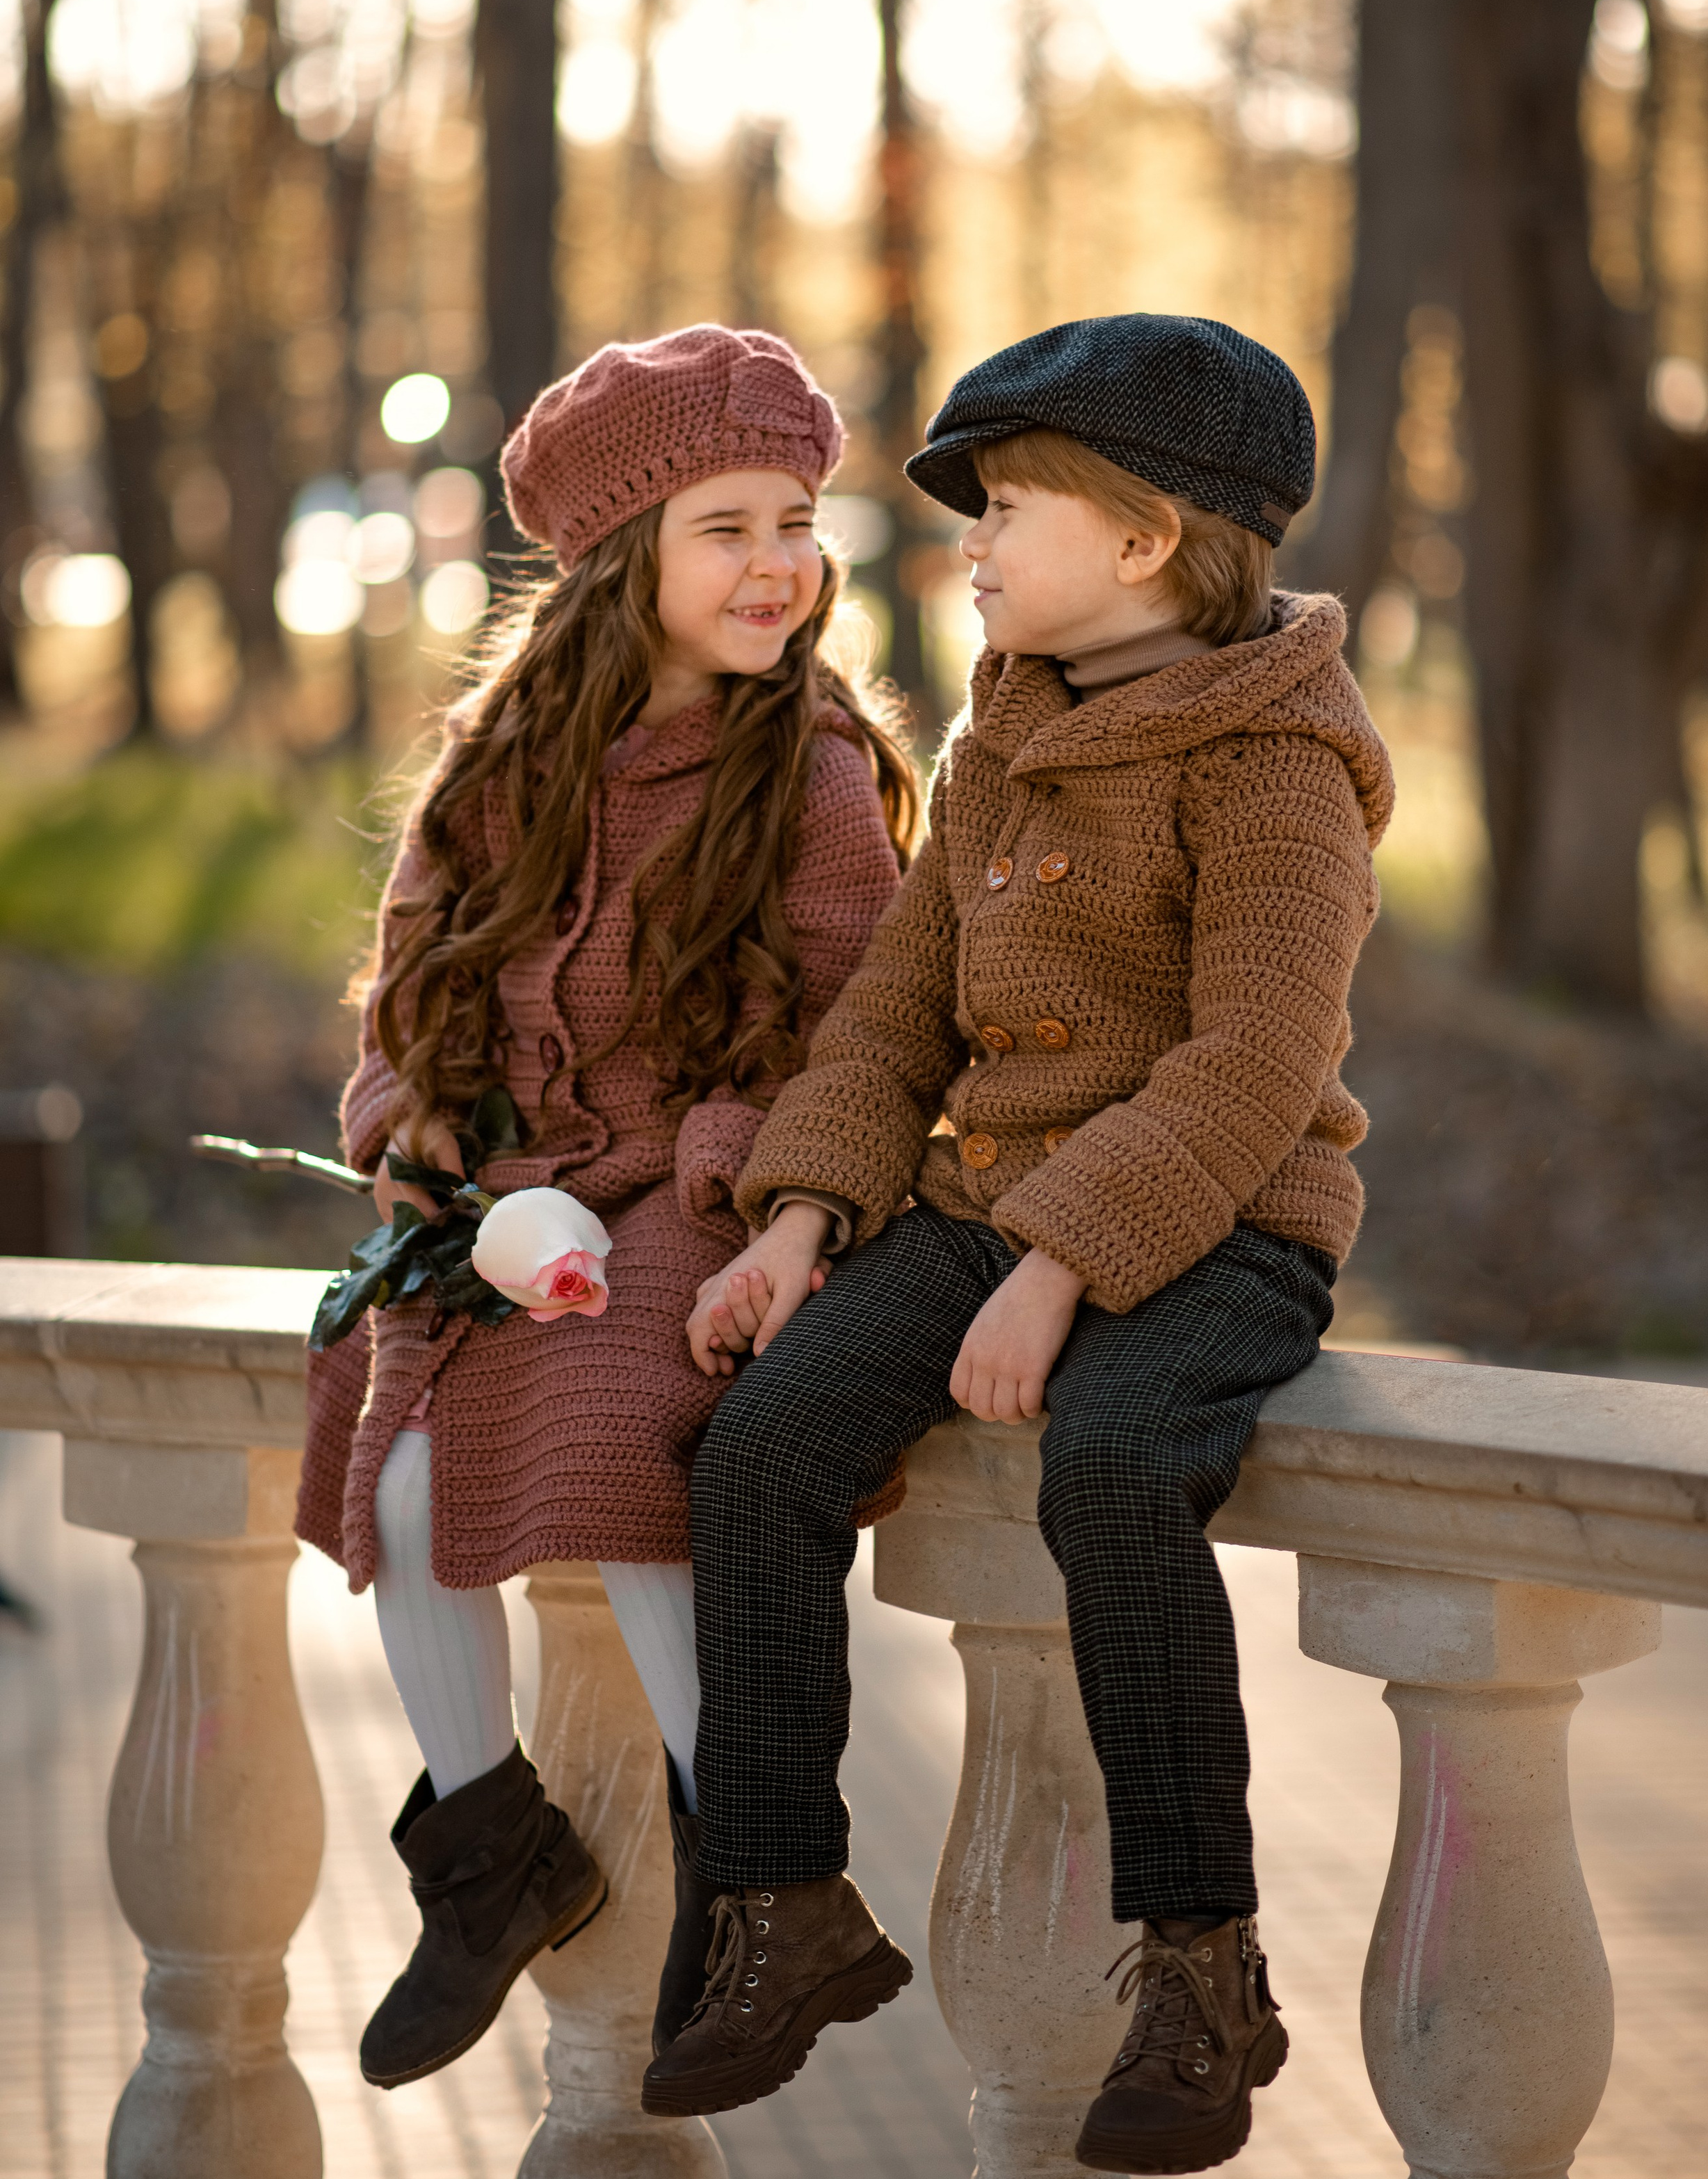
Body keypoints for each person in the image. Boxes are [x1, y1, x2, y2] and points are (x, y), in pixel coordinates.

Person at [646, 314, 1394, 2176]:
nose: (966, 546)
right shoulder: (1003, 735)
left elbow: (1253, 1061)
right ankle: (781, 1900)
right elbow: (900, 1013)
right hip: (984, 1213)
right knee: (760, 1450)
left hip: (1214, 1222)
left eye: (1004, 510)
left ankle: (1204, 1967)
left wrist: (1066, 1261)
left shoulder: (1277, 757)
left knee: (1121, 1465)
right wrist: (803, 1218)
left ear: (1145, 538)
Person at [295, 323, 917, 2093]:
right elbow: (408, 1005)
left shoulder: (804, 771)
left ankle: (754, 1871)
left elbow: (859, 1030)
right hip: (513, 1195)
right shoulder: (502, 768)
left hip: (712, 1184)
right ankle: (491, 1850)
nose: (780, 565)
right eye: (727, 526)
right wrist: (418, 1138)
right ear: (619, 554)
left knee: (632, 1433)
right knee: (392, 1458)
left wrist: (719, 1171)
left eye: (799, 520)